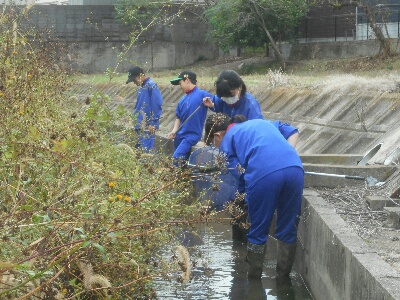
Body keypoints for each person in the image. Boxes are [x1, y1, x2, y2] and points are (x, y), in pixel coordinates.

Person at [205, 113, 304, 279]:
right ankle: (283, 279)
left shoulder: (227, 141)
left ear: (217, 135)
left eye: (213, 144)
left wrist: (244, 198)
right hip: (295, 169)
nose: (216, 148)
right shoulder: (261, 123)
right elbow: (292, 130)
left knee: (258, 231)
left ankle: (254, 284)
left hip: (264, 175)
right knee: (288, 227)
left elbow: (240, 174)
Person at [167, 71, 212, 165]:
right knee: (181, 163)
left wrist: (211, 104)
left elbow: (217, 105)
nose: (180, 86)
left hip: (191, 136)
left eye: (180, 83)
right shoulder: (182, 100)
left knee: (176, 159)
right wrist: (174, 131)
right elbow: (178, 118)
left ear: (187, 80)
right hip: (179, 136)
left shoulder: (202, 94)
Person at [126, 66, 163, 151]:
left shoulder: (151, 86)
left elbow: (157, 104)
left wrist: (153, 123)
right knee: (137, 151)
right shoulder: (140, 87)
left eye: (134, 80)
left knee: (145, 150)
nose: (134, 83)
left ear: (140, 76)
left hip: (147, 126)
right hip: (139, 124)